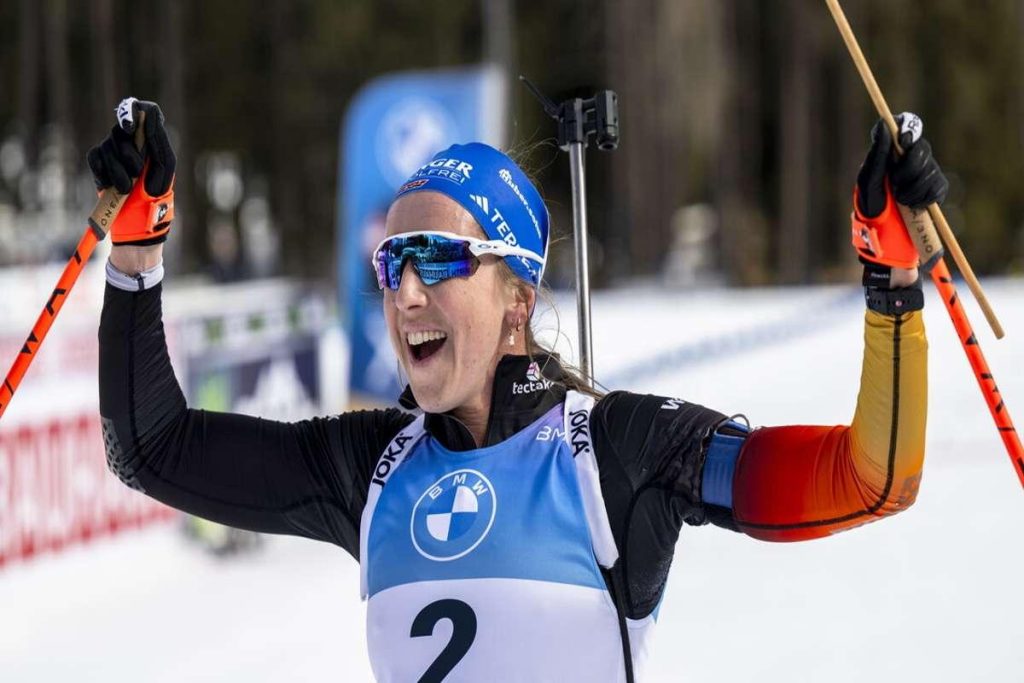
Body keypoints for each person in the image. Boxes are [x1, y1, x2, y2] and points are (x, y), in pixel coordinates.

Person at [93, 97, 945, 682]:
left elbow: (867, 477)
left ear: (518, 298)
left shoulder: (615, 453)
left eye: (436, 257)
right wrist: (136, 258)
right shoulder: (368, 468)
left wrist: (892, 283)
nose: (406, 292)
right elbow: (151, 446)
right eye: (392, 262)